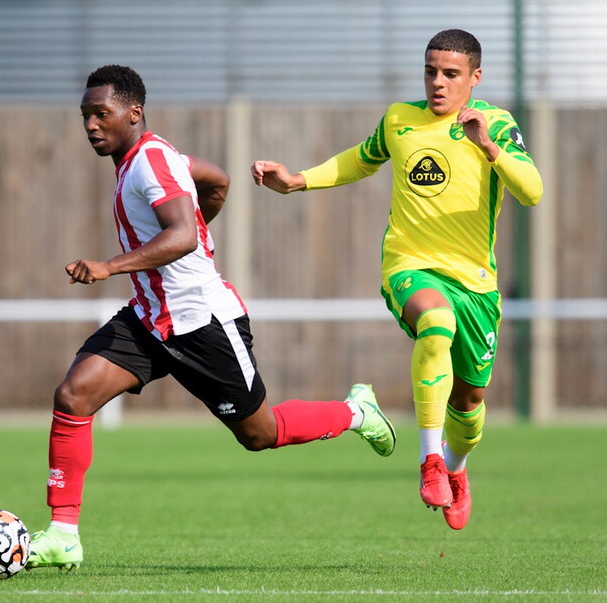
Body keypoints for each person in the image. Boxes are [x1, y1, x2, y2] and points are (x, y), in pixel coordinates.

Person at [25, 64, 397, 571]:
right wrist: (201, 220)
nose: (91, 124)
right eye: (85, 115)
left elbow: (182, 236)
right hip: (150, 318)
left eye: (101, 113)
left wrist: (110, 265)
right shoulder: (152, 158)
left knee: (260, 434)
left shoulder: (150, 162)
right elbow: (217, 181)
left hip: (202, 322)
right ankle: (63, 535)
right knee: (74, 395)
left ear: (133, 113)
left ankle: (356, 413)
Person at [251, 29, 543, 530]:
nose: (438, 82)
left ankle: (455, 465)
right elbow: (358, 159)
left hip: (476, 283)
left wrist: (489, 147)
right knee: (436, 322)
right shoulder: (399, 119)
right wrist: (297, 180)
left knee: (470, 403)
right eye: (431, 71)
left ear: (475, 77)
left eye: (450, 74)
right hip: (408, 265)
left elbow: (532, 191)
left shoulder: (495, 123)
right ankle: (430, 461)